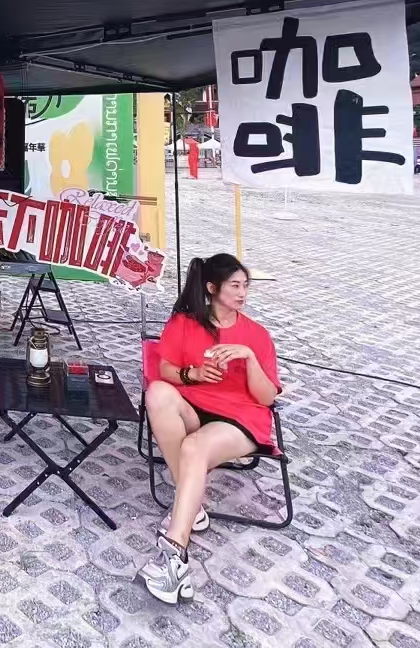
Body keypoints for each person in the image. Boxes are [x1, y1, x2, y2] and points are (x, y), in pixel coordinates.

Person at [140, 253, 281, 604]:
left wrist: (249, 358)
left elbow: (267, 398)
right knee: (157, 393)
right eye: (235, 285)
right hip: (195, 407)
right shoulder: (185, 323)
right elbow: (165, 371)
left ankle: (175, 557)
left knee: (194, 447)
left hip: (240, 418)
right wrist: (195, 374)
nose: (242, 293)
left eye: (245, 286)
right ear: (212, 287)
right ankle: (193, 507)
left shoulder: (256, 335)